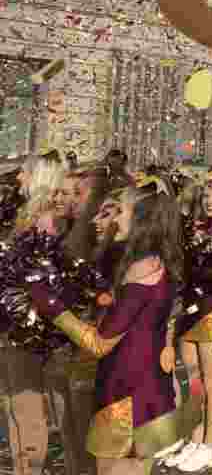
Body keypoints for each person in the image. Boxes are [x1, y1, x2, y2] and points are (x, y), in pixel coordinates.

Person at [29, 177, 201, 475]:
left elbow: (99, 343)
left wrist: (47, 302)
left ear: (142, 220)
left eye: (121, 211)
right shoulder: (152, 263)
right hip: (146, 391)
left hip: (127, 399)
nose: (114, 219)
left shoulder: (143, 271)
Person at [164, 169, 212, 473]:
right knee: (192, 380)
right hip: (189, 310)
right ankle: (195, 439)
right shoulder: (193, 228)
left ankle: (210, 444)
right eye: (207, 195)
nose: (210, 200)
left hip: (211, 311)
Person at [3, 149, 67, 475]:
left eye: (24, 172)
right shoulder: (28, 216)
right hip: (14, 321)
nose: (18, 178)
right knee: (15, 405)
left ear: (38, 177)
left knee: (26, 408)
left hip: (27, 325)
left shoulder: (44, 221)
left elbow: (38, 279)